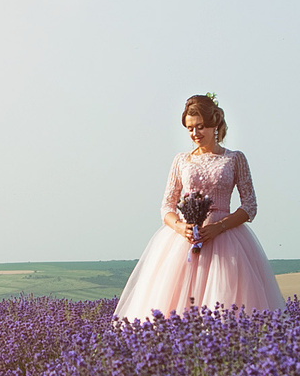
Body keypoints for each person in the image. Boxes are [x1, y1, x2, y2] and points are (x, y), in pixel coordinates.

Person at [113, 93, 284, 320]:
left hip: (226, 241)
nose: (195, 133)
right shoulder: (181, 160)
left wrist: (219, 227)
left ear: (215, 124)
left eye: (200, 126)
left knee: (225, 307)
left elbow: (250, 206)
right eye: (190, 128)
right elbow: (166, 205)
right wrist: (180, 227)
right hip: (184, 241)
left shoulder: (234, 159)